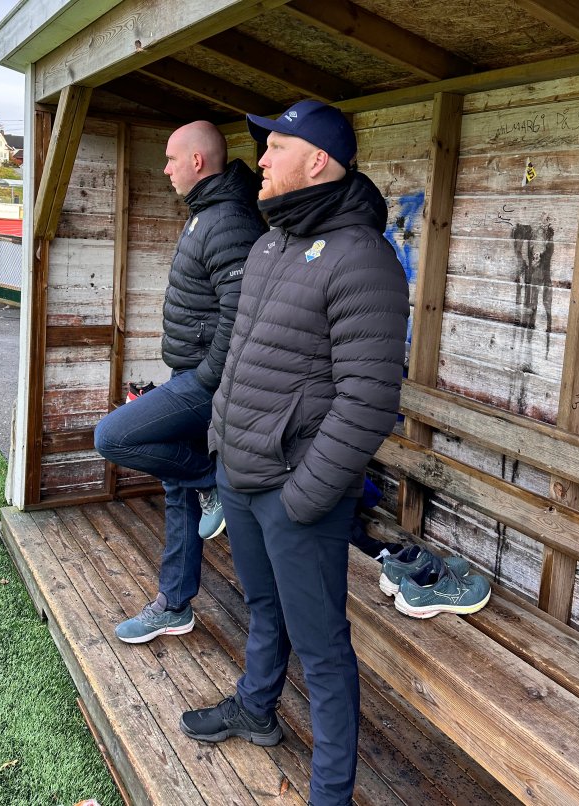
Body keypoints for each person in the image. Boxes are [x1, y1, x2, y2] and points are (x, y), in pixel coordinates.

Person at [179, 101, 410, 806]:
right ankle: (256, 709)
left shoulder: (363, 258)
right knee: (262, 607)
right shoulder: (271, 243)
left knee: (324, 650)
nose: (263, 160)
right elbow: (247, 356)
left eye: (276, 147)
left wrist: (305, 496)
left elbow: (367, 401)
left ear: (317, 161)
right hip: (243, 474)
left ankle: (330, 793)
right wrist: (221, 441)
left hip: (295, 492)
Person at [94, 120, 266, 644]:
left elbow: (242, 317)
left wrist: (208, 378)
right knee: (175, 486)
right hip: (190, 372)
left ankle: (211, 482)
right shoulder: (205, 215)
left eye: (171, 159)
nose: (165, 168)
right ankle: (174, 604)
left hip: (207, 383)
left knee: (113, 437)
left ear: (197, 162)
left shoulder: (230, 220)